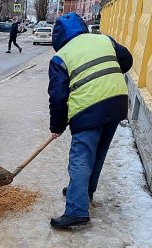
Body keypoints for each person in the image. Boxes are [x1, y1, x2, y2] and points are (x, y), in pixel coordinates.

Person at [48, 13, 133, 228]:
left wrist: (57, 126)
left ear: (58, 38)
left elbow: (58, 97)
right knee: (98, 152)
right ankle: (83, 192)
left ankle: (76, 210)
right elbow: (127, 60)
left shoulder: (61, 57)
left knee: (81, 158)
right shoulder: (103, 39)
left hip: (88, 109)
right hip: (117, 102)